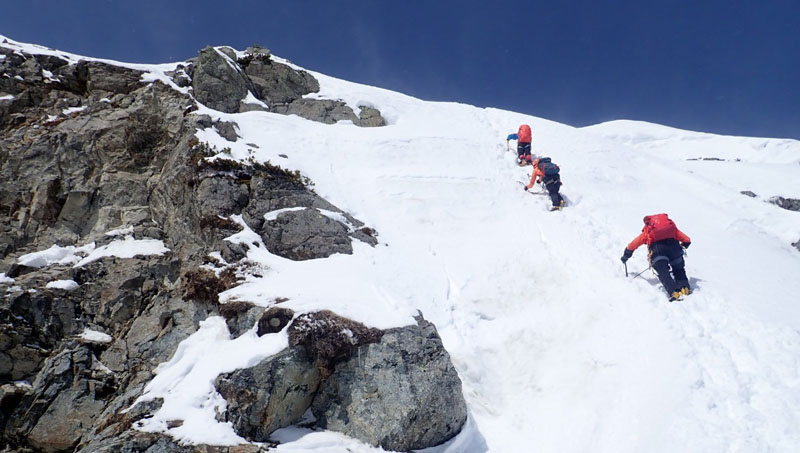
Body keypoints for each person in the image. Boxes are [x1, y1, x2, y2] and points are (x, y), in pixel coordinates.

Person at [620, 214, 692, 301]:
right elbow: (687, 240)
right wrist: (682, 246)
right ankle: (685, 287)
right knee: (678, 268)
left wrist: (626, 256)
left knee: (663, 272)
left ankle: (674, 292)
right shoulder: (671, 228)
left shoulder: (648, 231)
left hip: (658, 251)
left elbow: (633, 245)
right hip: (674, 249)